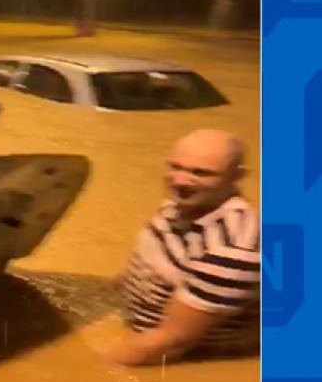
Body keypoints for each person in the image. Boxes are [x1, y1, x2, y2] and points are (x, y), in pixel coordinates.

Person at [102, 128, 260, 366]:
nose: (180, 181)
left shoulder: (231, 251)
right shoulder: (187, 203)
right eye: (175, 166)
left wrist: (90, 370)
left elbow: (173, 341)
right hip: (136, 331)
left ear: (237, 176)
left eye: (202, 173)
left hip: (189, 359)